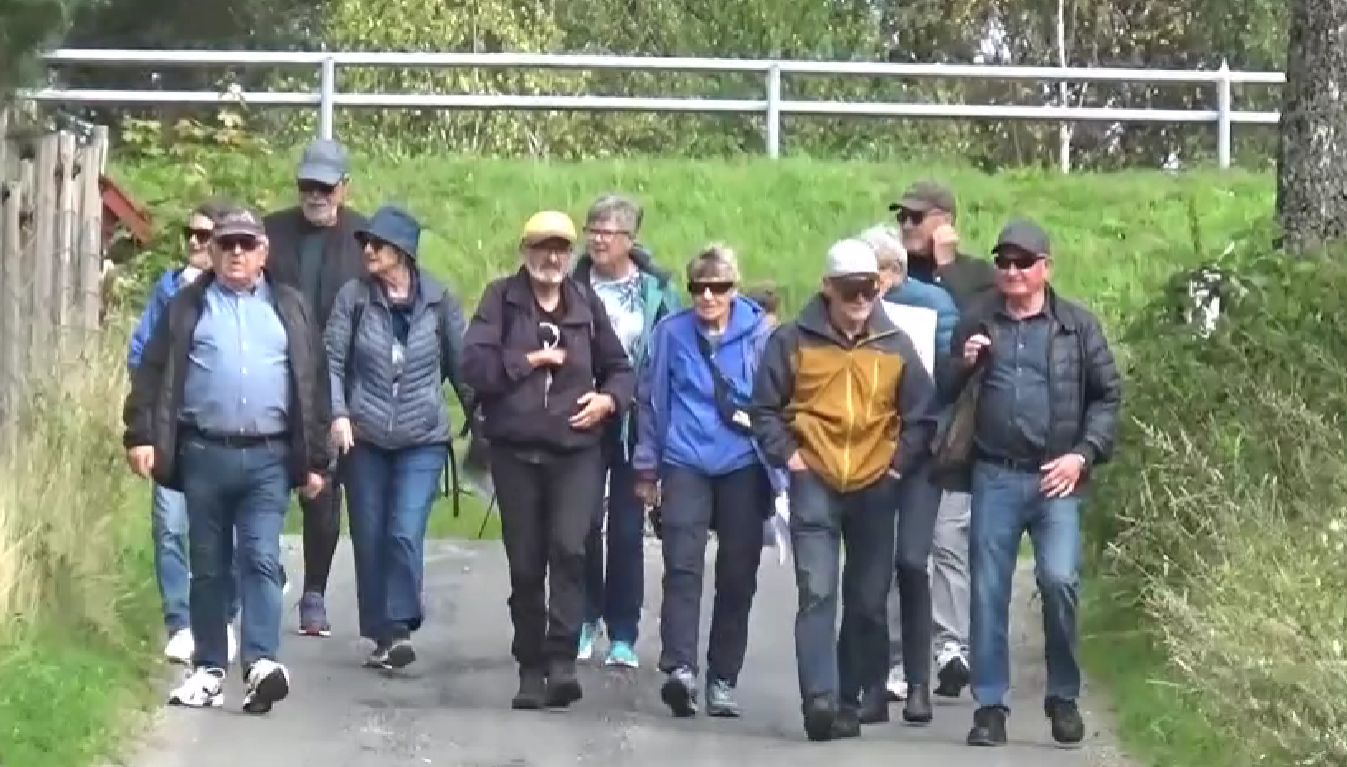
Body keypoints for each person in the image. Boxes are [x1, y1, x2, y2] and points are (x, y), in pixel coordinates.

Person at [122, 205, 330, 714]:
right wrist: (140, 435)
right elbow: (152, 372)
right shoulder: (187, 306)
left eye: (246, 244)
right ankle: (210, 669)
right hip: (203, 452)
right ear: (213, 252)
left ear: (264, 252)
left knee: (260, 557)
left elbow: (314, 383)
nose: (236, 253)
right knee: (208, 567)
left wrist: (316, 460)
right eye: (226, 244)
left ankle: (261, 663)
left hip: (268, 456)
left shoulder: (290, 307)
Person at [940, 219, 1121, 747]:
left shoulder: (1076, 327)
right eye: (1003, 261)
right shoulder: (977, 319)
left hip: (1055, 477)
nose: (1012, 271)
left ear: (1046, 267)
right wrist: (963, 364)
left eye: (1023, 262)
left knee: (1059, 581)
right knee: (988, 590)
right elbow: (943, 389)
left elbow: (1107, 397)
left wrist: (1082, 456)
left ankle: (1062, 696)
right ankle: (989, 707)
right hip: (995, 472)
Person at [751, 238, 938, 742]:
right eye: (851, 289)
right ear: (827, 288)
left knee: (867, 601)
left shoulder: (895, 345)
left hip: (876, 484)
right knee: (817, 591)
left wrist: (897, 467)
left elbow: (922, 415)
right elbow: (764, 409)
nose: (861, 299)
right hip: (814, 476)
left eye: (870, 289)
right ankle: (819, 699)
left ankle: (849, 700)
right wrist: (789, 456)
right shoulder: (792, 341)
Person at [460, 211, 635, 711]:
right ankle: (530, 668)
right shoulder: (501, 299)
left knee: (570, 549)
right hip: (515, 452)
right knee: (525, 563)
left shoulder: (585, 303)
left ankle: (561, 661)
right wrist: (529, 360)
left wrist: (608, 400)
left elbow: (620, 368)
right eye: (542, 247)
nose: (551, 257)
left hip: (576, 451)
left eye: (560, 248)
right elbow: (473, 365)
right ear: (526, 251)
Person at [324, 205, 471, 670]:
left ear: (403, 252)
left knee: (404, 531)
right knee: (370, 536)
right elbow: (331, 362)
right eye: (366, 243)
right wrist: (338, 414)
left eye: (378, 244)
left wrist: (485, 420)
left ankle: (401, 624)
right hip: (363, 436)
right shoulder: (353, 297)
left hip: (422, 437)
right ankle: (384, 636)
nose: (368, 250)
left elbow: (463, 367)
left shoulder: (439, 300)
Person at [632, 245, 774, 719]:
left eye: (719, 287)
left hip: (743, 463)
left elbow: (777, 402)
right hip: (685, 460)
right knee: (682, 565)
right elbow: (651, 401)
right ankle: (680, 669)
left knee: (738, 573)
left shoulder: (761, 334)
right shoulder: (671, 333)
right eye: (698, 288)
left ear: (734, 289)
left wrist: (782, 467)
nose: (708, 297)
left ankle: (723, 678)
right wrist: (647, 467)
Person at [892, 181, 996, 699]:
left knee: (948, 540)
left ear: (944, 220)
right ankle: (897, 656)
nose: (907, 226)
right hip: (902, 429)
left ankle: (951, 646)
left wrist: (948, 266)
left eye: (917, 217)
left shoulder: (976, 275)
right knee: (903, 551)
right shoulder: (892, 273)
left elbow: (978, 327)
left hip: (956, 430)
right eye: (902, 218)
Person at [127, 200, 241, 666]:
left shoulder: (246, 295)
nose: (194, 242)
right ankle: (179, 621)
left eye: (204, 235)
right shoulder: (167, 290)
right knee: (170, 525)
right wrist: (147, 418)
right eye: (189, 234)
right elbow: (141, 353)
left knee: (224, 530)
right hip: (172, 429)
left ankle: (223, 616)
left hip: (223, 433)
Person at [264, 138, 370, 637]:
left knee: (323, 489)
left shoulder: (363, 239)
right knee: (265, 481)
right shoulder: (269, 232)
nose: (315, 195)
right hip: (274, 374)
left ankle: (315, 593)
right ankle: (267, 568)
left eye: (325, 187)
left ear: (343, 187)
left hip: (336, 382)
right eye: (308, 185)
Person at [572, 194, 680, 668]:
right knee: (580, 525)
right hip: (580, 417)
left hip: (637, 421)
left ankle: (622, 632)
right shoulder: (573, 284)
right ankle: (582, 618)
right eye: (592, 229)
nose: (597, 239)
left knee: (627, 530)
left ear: (630, 239)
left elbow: (669, 356)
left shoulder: (656, 291)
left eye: (608, 231)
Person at [855, 226, 940, 724]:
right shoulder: (841, 326)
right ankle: (872, 683)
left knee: (910, 562)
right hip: (867, 464)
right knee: (871, 572)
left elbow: (932, 396)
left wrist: (899, 459)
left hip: (914, 460)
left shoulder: (921, 316)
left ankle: (918, 682)